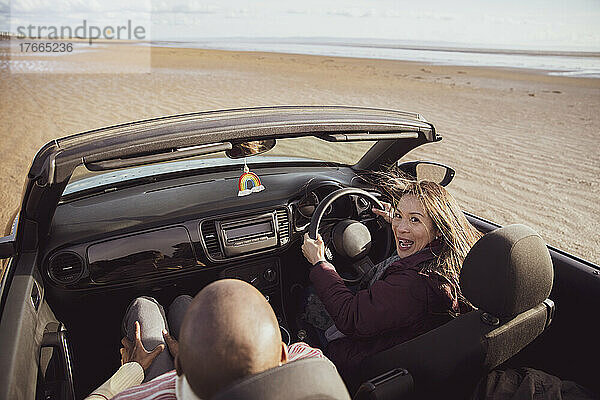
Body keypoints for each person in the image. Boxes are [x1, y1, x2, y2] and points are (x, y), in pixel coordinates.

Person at [301, 178, 482, 380]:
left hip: (358, 360)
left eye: (415, 220)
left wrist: (319, 262)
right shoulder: (450, 259)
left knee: (307, 294)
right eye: (399, 215)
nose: (401, 228)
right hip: (401, 349)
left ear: (439, 228)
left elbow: (351, 317)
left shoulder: (417, 283)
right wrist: (395, 220)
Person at [86, 279, 325, 400]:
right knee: (183, 306)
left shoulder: (146, 395)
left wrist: (132, 369)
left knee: (146, 307)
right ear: (283, 353)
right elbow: (304, 353)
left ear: (180, 368)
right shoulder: (312, 363)